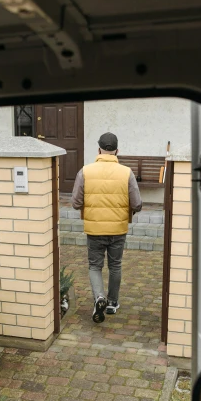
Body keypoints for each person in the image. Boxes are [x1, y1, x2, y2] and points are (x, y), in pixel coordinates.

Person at [71, 132, 143, 323]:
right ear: (117, 151)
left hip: (94, 229)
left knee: (95, 266)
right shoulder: (126, 172)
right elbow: (137, 203)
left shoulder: (85, 171)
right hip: (118, 229)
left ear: (99, 149)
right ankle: (112, 303)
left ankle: (99, 297)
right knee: (115, 266)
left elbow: (76, 202)